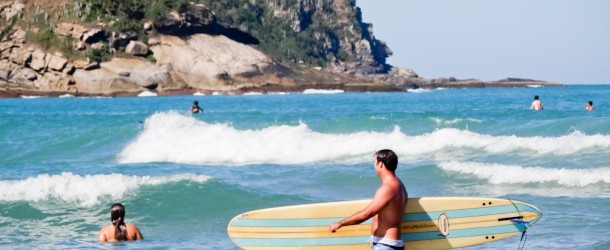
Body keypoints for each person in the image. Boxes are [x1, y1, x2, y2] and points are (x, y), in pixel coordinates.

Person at [329, 149, 408, 250]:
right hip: (390, 244)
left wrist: (340, 223)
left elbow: (365, 214)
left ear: (381, 164)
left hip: (385, 246)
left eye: (375, 162)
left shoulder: (388, 188)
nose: (374, 166)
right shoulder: (399, 185)